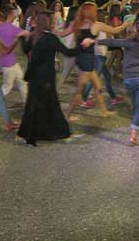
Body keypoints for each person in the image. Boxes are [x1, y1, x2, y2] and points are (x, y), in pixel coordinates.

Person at [18, 11, 93, 146]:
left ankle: (28, 135)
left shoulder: (34, 35)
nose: (53, 22)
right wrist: (82, 46)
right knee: (51, 105)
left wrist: (24, 37)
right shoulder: (50, 38)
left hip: (35, 76)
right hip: (46, 77)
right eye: (52, 20)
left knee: (34, 105)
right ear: (47, 22)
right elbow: (68, 52)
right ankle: (62, 133)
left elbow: (25, 50)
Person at [55, 2, 130, 120]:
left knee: (98, 86)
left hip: (81, 58)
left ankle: (104, 112)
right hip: (87, 62)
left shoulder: (76, 24)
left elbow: (62, 34)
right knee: (79, 92)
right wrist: (125, 24)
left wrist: (52, 28)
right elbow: (114, 30)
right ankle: (67, 115)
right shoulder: (96, 26)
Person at [94, 19, 139, 145]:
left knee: (138, 105)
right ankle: (134, 135)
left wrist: (95, 41)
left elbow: (112, 42)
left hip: (129, 80)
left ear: (136, 32)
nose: (131, 30)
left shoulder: (129, 42)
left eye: (133, 29)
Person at [0, 5, 29, 111]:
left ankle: (27, 104)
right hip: (9, 62)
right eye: (14, 12)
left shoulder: (0, 26)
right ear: (10, 15)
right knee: (7, 87)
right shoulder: (11, 28)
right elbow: (26, 33)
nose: (16, 14)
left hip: (8, 61)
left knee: (21, 81)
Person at [81, 9, 123, 106]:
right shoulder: (100, 25)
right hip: (99, 56)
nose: (105, 17)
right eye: (103, 15)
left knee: (107, 76)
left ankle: (113, 97)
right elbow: (110, 37)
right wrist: (125, 25)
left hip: (98, 55)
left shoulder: (95, 25)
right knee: (94, 78)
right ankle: (83, 99)